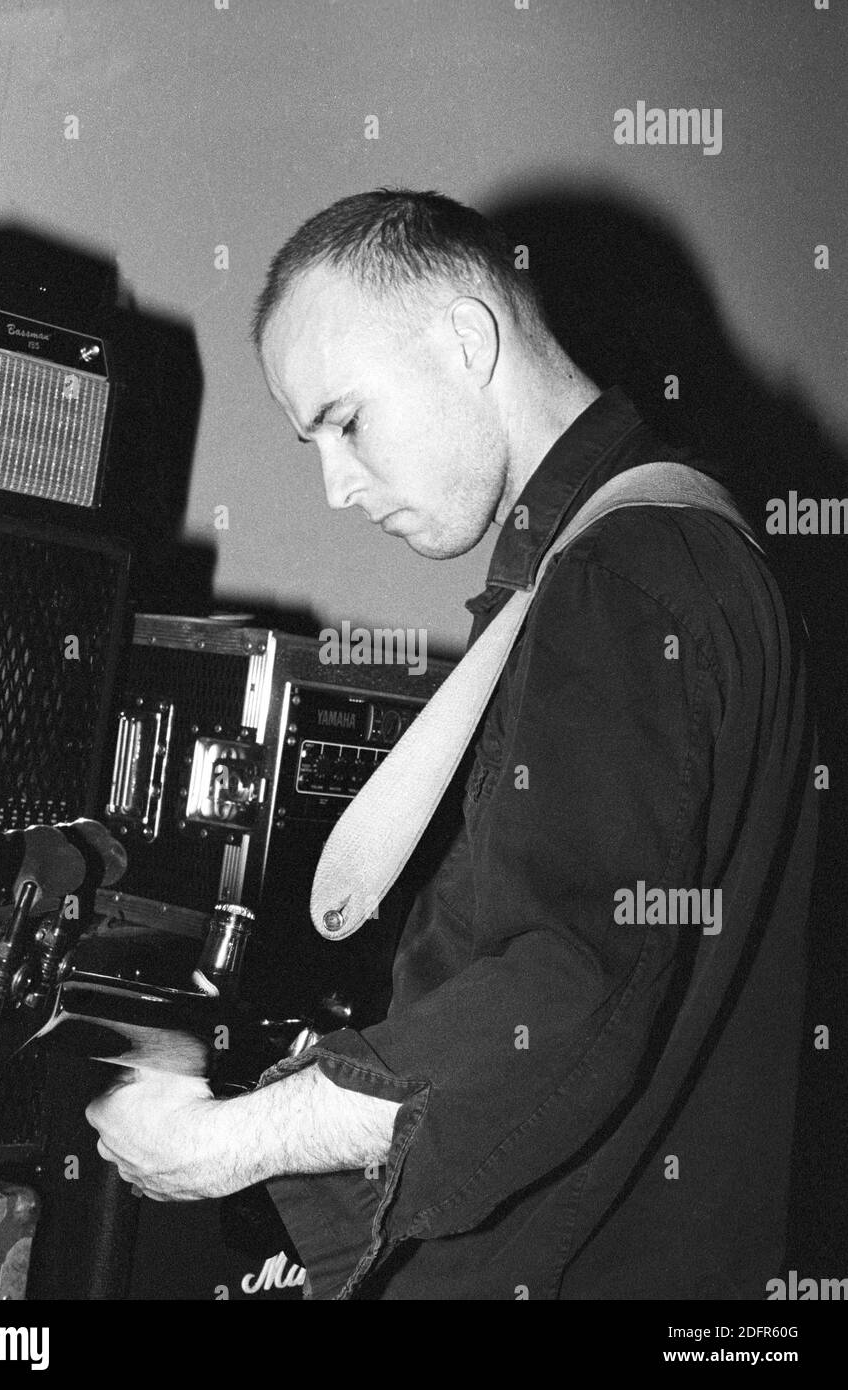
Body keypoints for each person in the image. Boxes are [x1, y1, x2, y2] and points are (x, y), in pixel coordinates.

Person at [87, 189, 818, 1300]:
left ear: (466, 341)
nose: (336, 486)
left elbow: (555, 994)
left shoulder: (619, 577)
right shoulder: (660, 548)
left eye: (345, 422)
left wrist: (228, 1142)